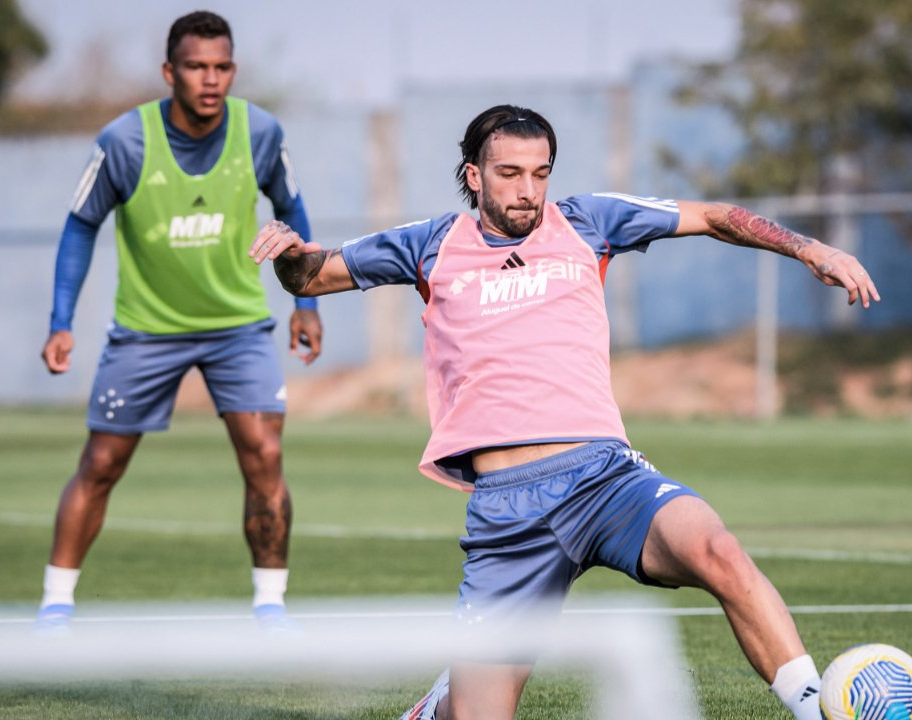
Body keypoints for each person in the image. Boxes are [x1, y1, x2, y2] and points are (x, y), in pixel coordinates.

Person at [251, 104, 880, 719]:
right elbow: (311, 278)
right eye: (510, 174)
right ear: (474, 175)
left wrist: (813, 250)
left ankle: (813, 705)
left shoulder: (588, 223)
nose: (529, 191)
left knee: (717, 550)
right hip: (508, 515)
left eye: (540, 173)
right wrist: (287, 253)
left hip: (605, 480)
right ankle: (441, 705)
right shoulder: (430, 245)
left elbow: (713, 216)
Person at [36, 11, 321, 631]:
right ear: (171, 72)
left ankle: (270, 610)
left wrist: (306, 302)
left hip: (239, 325)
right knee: (103, 462)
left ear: (234, 71)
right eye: (196, 67)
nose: (210, 79)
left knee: (264, 454)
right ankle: (55, 605)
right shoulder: (124, 141)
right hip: (146, 328)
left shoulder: (261, 132)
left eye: (221, 67)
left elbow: (291, 206)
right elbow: (80, 224)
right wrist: (62, 320)